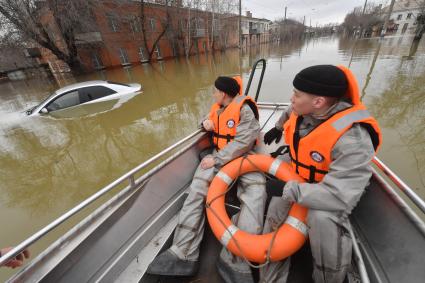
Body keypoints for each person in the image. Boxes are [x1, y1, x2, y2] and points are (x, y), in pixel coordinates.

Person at [261, 65, 381, 283]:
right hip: (301, 175)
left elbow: (338, 195)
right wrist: (278, 128)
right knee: (275, 209)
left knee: (321, 218)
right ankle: (270, 271)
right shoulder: (304, 108)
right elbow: (290, 111)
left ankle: (329, 277)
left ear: (318, 102)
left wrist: (288, 189)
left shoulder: (353, 139)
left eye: (297, 94)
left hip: (332, 190)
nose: (292, 98)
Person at [147, 76, 267, 282]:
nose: (213, 94)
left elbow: (245, 141)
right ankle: (184, 252)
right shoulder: (217, 107)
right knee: (197, 189)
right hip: (218, 155)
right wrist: (205, 122)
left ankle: (235, 258)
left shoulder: (245, 110)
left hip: (243, 158)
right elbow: (202, 120)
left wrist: (217, 159)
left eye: (215, 91)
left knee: (256, 192)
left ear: (224, 93)